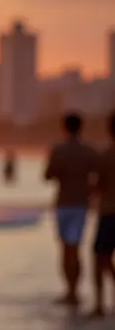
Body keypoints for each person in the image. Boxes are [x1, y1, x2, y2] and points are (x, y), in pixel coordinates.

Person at [44, 112, 98, 307]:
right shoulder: (89, 151)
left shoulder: (58, 150)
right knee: (76, 248)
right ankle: (74, 291)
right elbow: (99, 177)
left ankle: (71, 291)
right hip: (81, 204)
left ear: (64, 128)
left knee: (66, 249)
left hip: (64, 204)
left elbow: (48, 176)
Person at [89, 113, 115, 317]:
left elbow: (98, 185)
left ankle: (99, 304)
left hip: (108, 213)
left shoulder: (106, 155)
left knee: (99, 258)